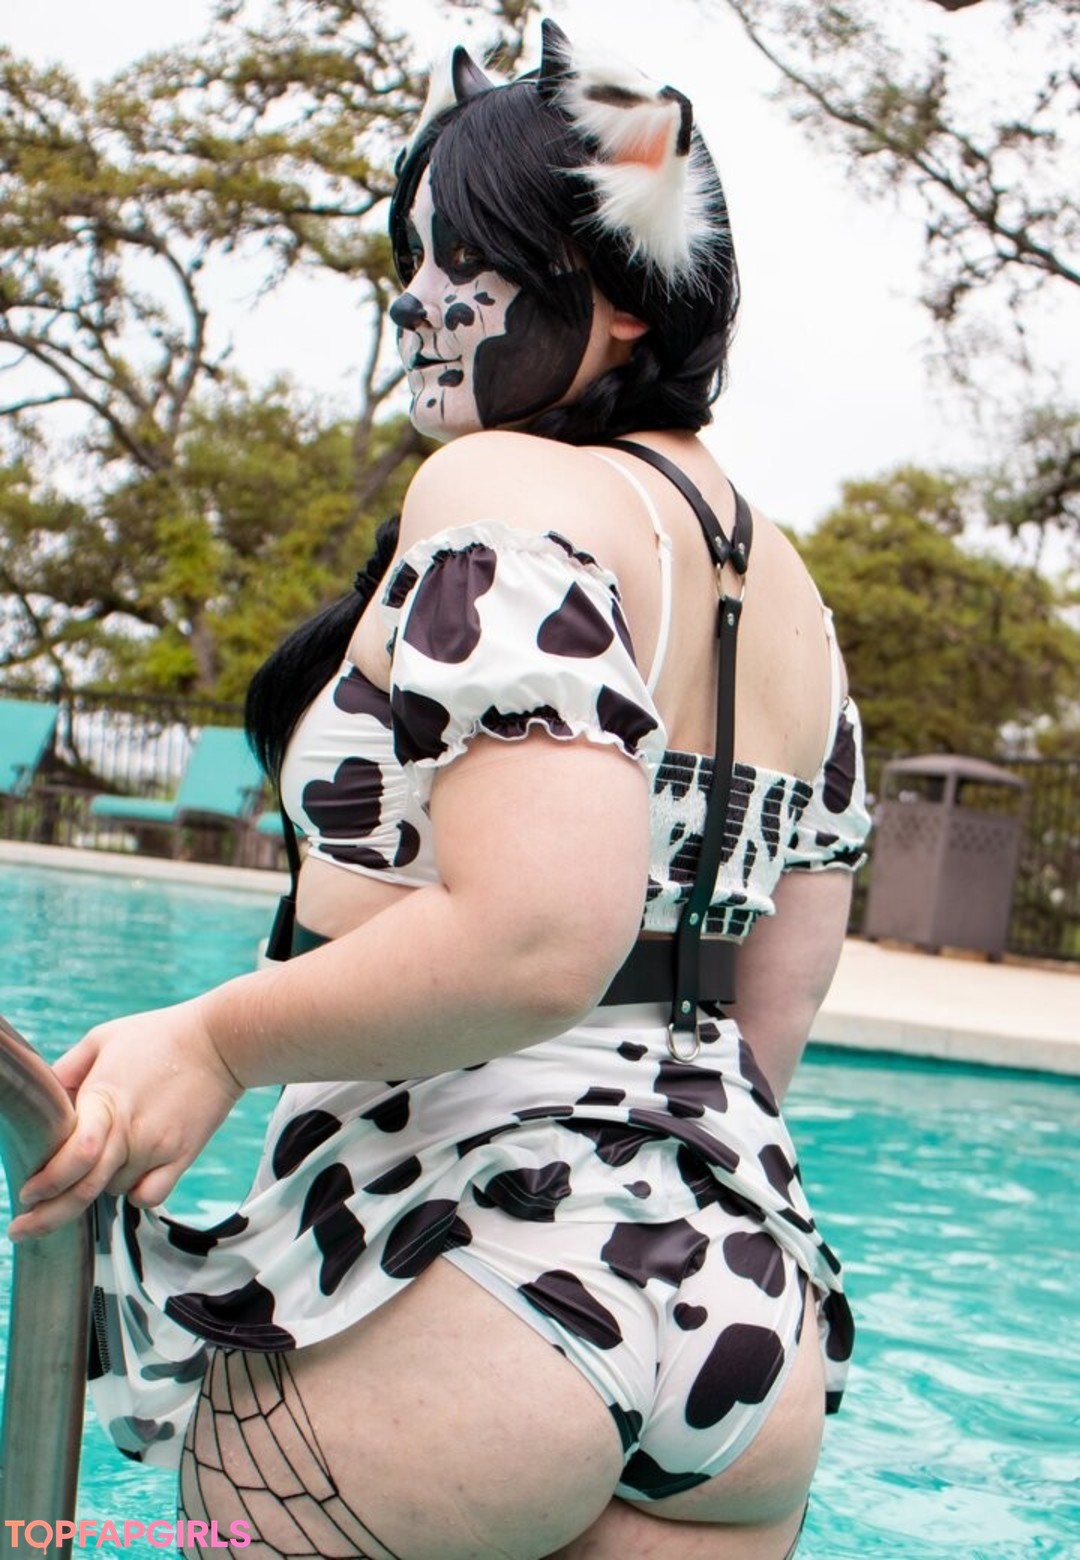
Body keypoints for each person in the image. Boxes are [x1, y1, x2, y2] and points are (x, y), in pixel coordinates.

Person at [11, 22, 870, 1560]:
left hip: (465, 1278)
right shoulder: (792, 597)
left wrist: (213, 1038)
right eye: (409, 255)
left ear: (616, 293)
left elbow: (541, 932)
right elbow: (772, 1013)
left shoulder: (503, 486)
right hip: (743, 1321)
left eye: (457, 256)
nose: (414, 297)